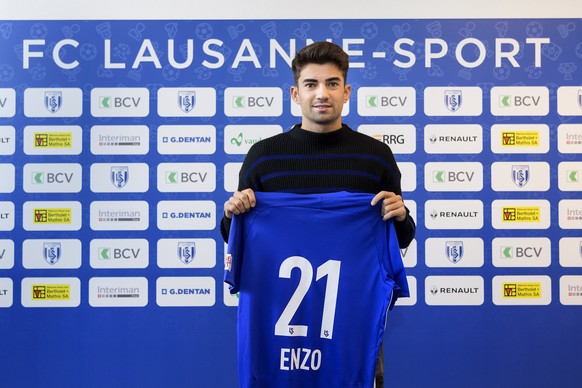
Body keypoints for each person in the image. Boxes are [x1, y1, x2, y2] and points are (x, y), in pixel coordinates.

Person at [221, 41, 415, 387]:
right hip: (277, 325)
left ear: (347, 91)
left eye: (332, 83)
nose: (322, 93)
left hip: (352, 322)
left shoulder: (376, 156)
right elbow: (236, 236)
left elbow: (399, 238)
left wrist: (401, 216)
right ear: (296, 93)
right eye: (311, 84)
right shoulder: (264, 156)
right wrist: (233, 213)